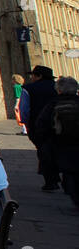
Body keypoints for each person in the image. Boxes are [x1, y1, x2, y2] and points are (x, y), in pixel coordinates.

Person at [19, 65, 60, 191]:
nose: (31, 78)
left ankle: (50, 180)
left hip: (38, 124)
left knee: (43, 151)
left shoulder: (29, 89)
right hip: (58, 123)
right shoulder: (58, 87)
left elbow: (24, 109)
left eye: (33, 75)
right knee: (58, 150)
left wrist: (26, 124)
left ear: (39, 76)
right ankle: (61, 176)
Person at [51, 76, 79, 207]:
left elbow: (43, 124)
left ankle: (74, 195)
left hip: (62, 142)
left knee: (69, 170)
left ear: (59, 90)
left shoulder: (54, 103)